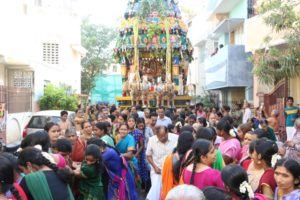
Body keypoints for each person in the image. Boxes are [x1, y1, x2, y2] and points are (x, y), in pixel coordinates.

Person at [146, 126, 178, 200]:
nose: (162, 138)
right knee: (156, 189)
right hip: (157, 170)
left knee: (169, 191)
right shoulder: (152, 140)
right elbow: (148, 155)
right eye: (160, 137)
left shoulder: (176, 138)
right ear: (156, 135)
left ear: (167, 132)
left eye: (164, 136)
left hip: (171, 171)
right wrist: (155, 167)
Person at [161, 131, 194, 200]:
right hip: (189, 194)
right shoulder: (194, 159)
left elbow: (166, 181)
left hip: (173, 193)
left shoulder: (170, 158)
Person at [127, 117, 149, 188]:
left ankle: (139, 186)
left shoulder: (138, 133)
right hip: (126, 155)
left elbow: (141, 145)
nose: (131, 122)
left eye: (132, 121)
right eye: (129, 121)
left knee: (137, 171)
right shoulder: (124, 131)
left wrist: (136, 155)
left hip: (137, 155)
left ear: (135, 123)